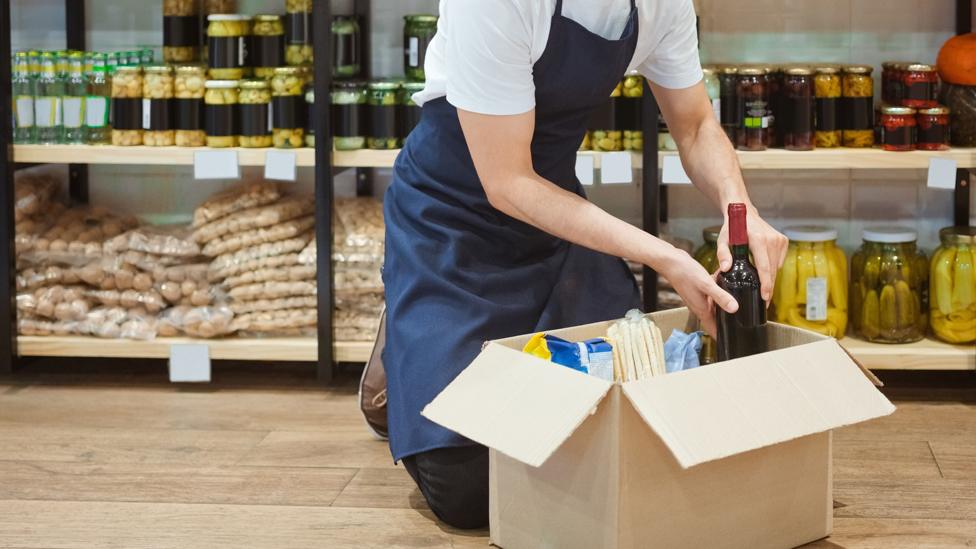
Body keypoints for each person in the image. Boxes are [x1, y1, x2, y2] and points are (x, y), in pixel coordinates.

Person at [364, 0, 789, 530]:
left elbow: (697, 125)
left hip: (555, 220)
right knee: (468, 486)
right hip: (449, 221)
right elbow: (507, 183)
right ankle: (406, 338)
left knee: (618, 424)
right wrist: (663, 255)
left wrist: (739, 211)